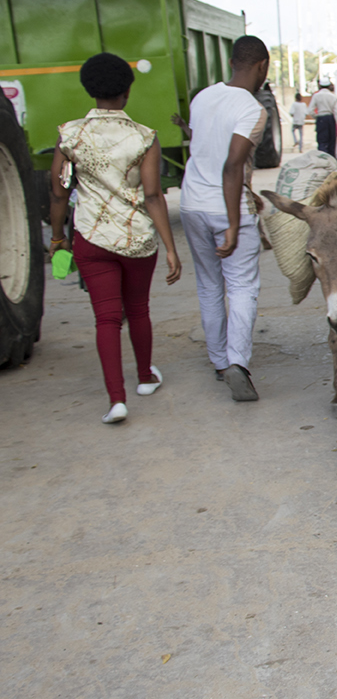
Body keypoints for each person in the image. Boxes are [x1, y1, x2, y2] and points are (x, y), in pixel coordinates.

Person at [48, 53, 183, 424]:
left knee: (106, 318)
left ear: (89, 89)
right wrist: (171, 248)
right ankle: (144, 378)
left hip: (90, 238)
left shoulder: (69, 135)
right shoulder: (144, 138)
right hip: (137, 240)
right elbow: (154, 196)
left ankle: (116, 400)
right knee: (138, 309)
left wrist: (58, 237)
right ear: (127, 91)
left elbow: (59, 193)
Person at [178, 35, 270, 402]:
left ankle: (219, 361)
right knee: (243, 287)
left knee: (208, 285)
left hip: (191, 205)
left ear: (232, 62)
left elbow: (200, 146)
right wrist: (233, 223)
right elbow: (232, 165)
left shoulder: (203, 97)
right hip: (225, 208)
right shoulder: (252, 109)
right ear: (262, 66)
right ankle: (237, 363)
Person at [308, 82, 337, 158]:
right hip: (330, 119)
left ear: (320, 86)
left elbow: (310, 110)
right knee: (331, 141)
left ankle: (322, 159)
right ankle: (331, 160)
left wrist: (317, 117)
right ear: (329, 86)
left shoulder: (316, 96)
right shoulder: (333, 96)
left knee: (322, 141)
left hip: (321, 118)